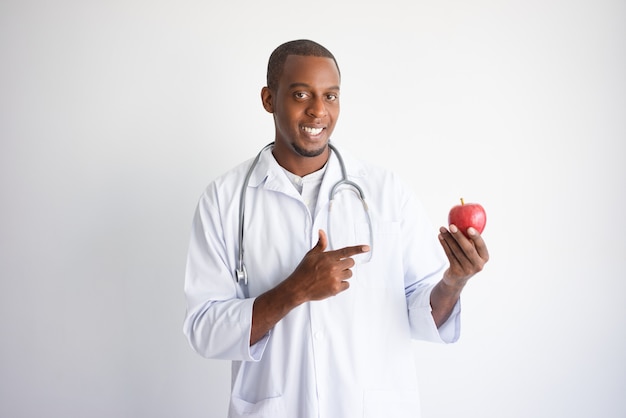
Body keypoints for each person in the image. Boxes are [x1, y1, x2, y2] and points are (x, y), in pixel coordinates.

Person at [183, 39, 489, 418]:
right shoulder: (224, 200)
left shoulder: (386, 192)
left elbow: (421, 312)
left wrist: (455, 280)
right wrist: (294, 290)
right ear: (268, 99)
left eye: (331, 96)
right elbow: (204, 329)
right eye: (300, 94)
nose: (318, 110)